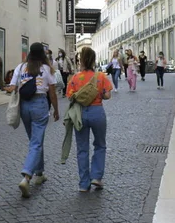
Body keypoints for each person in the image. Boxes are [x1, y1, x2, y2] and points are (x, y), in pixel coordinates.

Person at [7, 43, 59, 198]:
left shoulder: (21, 67)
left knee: (35, 141)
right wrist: (56, 109)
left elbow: (12, 87)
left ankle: (39, 173)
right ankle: (27, 176)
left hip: (24, 106)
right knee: (36, 142)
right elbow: (53, 93)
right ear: (43, 54)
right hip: (40, 104)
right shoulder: (46, 69)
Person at [66, 47, 113, 192]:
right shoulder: (100, 77)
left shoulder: (74, 78)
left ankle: (83, 184)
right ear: (93, 60)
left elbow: (70, 96)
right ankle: (96, 177)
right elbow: (107, 96)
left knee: (82, 148)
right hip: (97, 112)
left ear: (81, 60)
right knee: (100, 145)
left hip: (80, 114)